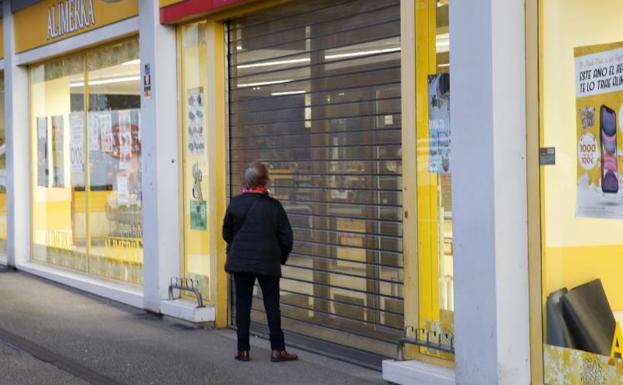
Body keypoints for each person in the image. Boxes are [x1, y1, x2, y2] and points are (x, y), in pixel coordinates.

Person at [223, 161, 298, 363]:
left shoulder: (235, 203)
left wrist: (239, 246)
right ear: (265, 180)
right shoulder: (274, 206)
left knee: (243, 305)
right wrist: (279, 257)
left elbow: (226, 234)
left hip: (240, 262)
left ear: (246, 181)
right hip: (268, 262)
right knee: (272, 306)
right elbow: (287, 238)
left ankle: (243, 350)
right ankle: (278, 350)